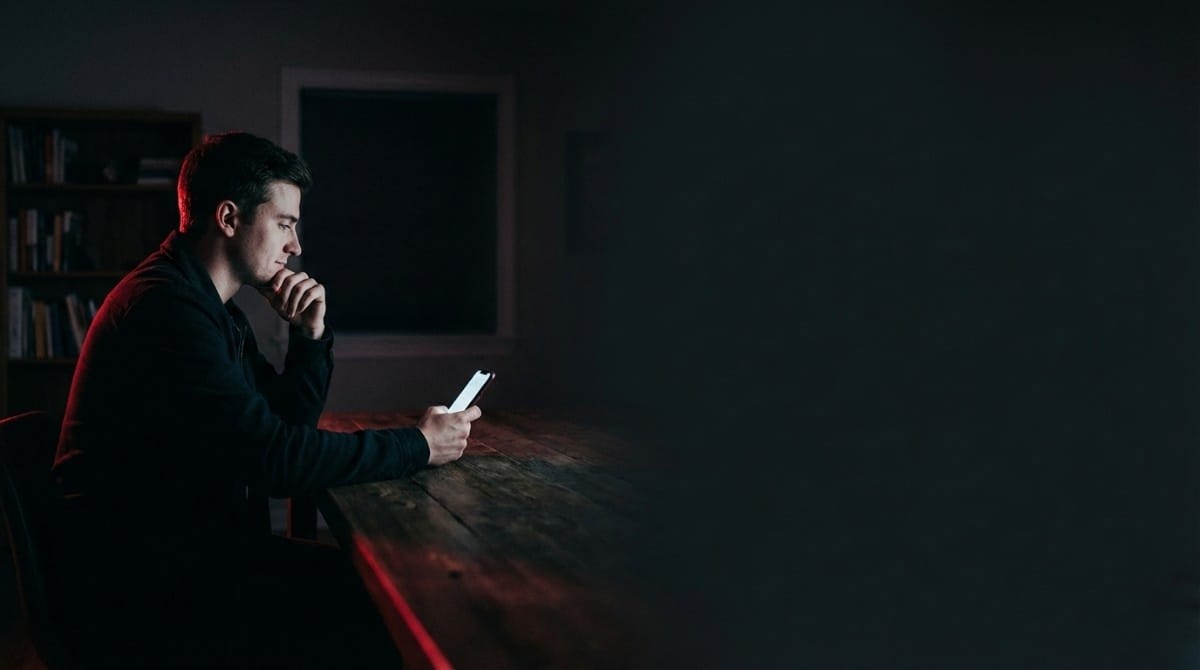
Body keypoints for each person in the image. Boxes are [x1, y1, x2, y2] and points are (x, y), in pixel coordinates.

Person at [48, 132, 481, 668]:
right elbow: (275, 461)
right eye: (284, 224)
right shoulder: (167, 310)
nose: (296, 246)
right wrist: (418, 445)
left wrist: (308, 337)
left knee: (378, 589)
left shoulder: (209, 306)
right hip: (141, 588)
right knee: (388, 605)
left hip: (188, 557)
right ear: (229, 218)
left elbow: (281, 426)